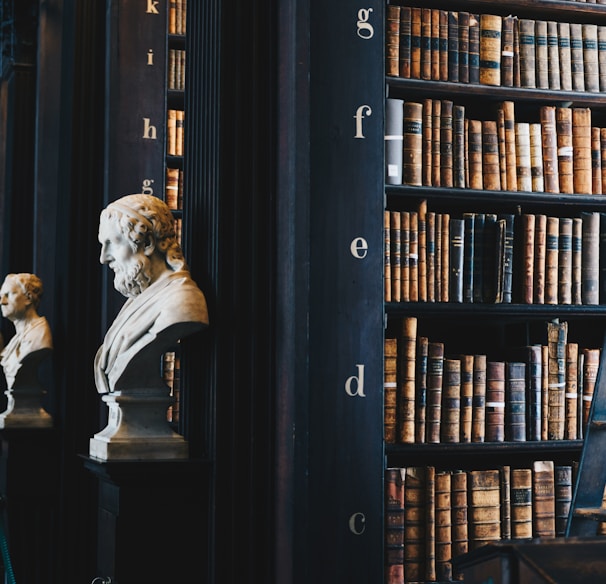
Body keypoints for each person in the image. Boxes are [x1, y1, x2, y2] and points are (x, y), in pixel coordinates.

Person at [94, 193, 209, 395]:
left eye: (112, 243)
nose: (104, 258)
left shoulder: (182, 301)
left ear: (147, 242)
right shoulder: (137, 300)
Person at [0, 273, 53, 390]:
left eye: (8, 295)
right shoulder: (15, 340)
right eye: (1, 296)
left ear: (28, 298)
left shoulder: (39, 334)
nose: (2, 302)